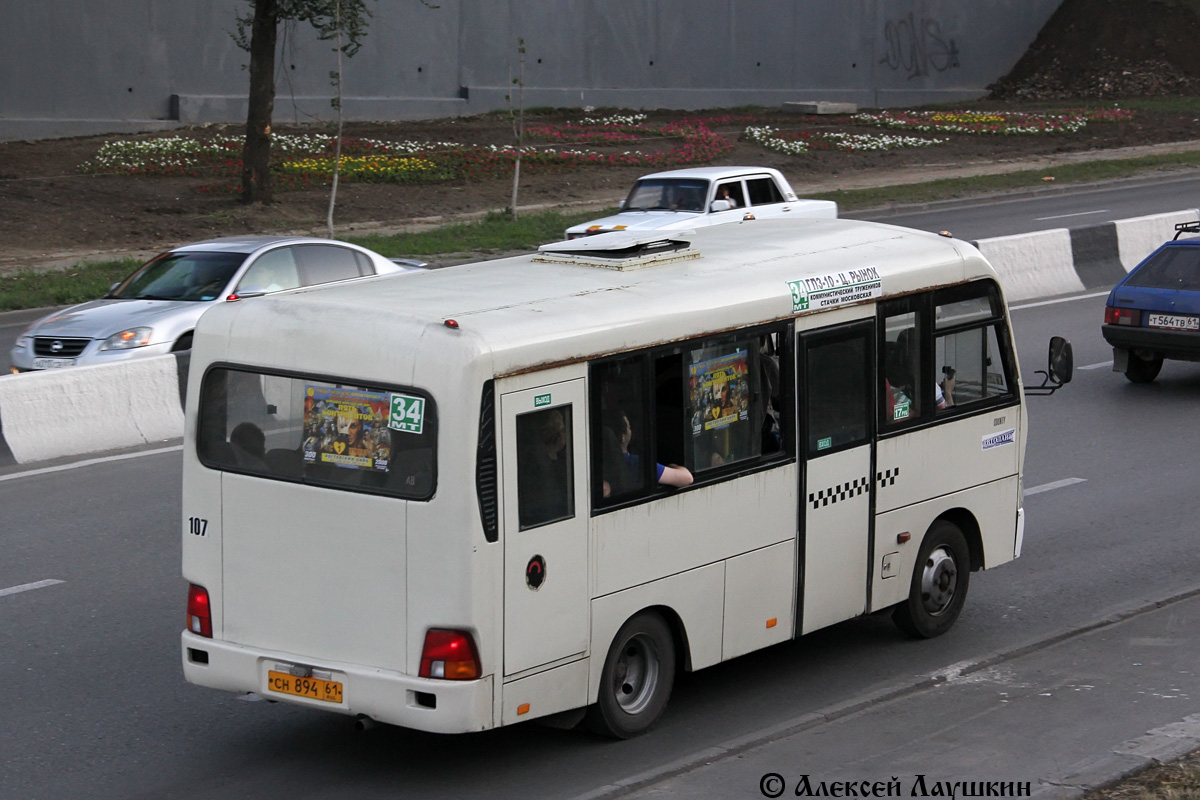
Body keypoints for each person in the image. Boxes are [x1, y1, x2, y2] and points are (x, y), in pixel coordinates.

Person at [601, 410, 692, 496]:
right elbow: (686, 478)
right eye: (629, 427)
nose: (631, 430)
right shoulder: (636, 464)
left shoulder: (602, 465)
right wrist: (672, 465)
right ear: (622, 438)